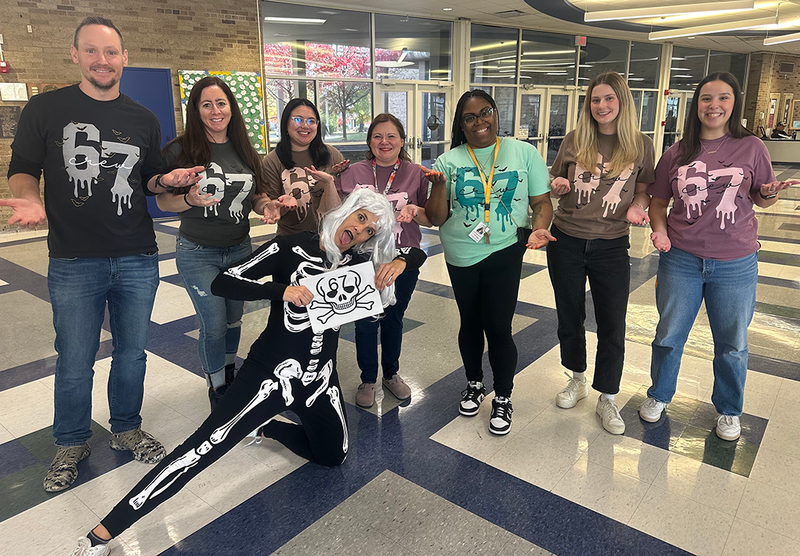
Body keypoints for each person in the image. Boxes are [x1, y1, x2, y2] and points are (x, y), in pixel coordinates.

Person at [67, 188, 427, 556]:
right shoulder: (290, 247)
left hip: (319, 378)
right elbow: (224, 281)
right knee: (203, 448)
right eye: (361, 218)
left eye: (371, 231)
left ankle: (266, 426)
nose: (362, 231)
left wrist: (399, 261)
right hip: (270, 372)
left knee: (334, 455)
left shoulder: (356, 261)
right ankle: (102, 533)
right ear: (347, 210)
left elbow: (417, 253)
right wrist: (282, 291)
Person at [1, 17, 207, 493]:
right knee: (75, 358)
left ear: (124, 59)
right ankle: (70, 441)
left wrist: (169, 182)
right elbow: (23, 168)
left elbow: (151, 181)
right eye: (91, 51)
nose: (102, 61)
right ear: (75, 55)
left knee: (132, 354)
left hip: (137, 256)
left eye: (111, 52)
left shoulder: (143, 118)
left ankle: (126, 428)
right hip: (74, 261)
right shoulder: (45, 109)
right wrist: (29, 197)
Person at [639, 72, 797, 441]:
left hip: (736, 262)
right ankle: (660, 394)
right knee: (668, 334)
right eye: (707, 98)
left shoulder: (752, 147)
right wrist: (659, 231)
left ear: (734, 104)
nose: (714, 106)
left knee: (732, 342)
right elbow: (659, 202)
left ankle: (728, 409)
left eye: (723, 98)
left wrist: (771, 192)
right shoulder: (677, 152)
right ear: (696, 105)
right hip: (681, 258)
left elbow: (761, 196)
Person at [426, 90, 553, 435]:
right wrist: (438, 187)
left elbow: (542, 202)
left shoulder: (524, 153)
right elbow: (437, 218)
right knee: (470, 322)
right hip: (461, 253)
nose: (480, 121)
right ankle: (474, 382)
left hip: (505, 249)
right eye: (470, 117)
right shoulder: (448, 161)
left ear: (496, 114)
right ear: (461, 125)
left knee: (498, 327)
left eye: (486, 113)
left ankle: (504, 396)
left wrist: (540, 229)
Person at [156, 76, 273, 411]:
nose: (215, 111)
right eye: (206, 104)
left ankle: (230, 372)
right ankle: (217, 387)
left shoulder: (247, 150)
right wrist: (190, 199)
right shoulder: (180, 151)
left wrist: (267, 207)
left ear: (231, 109)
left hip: (239, 249)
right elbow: (164, 202)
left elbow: (258, 196)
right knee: (213, 322)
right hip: (197, 252)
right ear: (196, 110)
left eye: (221, 103)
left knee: (234, 319)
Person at [547, 72, 655, 435]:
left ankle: (607, 394)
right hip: (567, 238)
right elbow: (557, 183)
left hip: (611, 244)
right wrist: (558, 185)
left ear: (622, 101)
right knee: (569, 315)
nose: (601, 106)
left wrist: (638, 207)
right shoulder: (576, 139)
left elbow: (643, 189)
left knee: (612, 322)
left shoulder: (641, 144)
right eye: (595, 100)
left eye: (609, 99)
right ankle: (577, 378)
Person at [334, 113, 434, 408]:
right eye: (377, 136)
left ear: (402, 141)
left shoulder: (416, 173)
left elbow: (431, 217)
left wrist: (415, 209)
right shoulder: (354, 172)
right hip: (362, 260)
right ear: (370, 142)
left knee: (393, 318)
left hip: (402, 258)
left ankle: (391, 374)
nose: (384, 142)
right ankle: (367, 378)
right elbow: (337, 214)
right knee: (365, 321)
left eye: (391, 136)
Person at [262, 98, 349, 236]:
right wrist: (283, 205)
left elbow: (345, 201)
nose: (305, 126)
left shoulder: (332, 155)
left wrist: (337, 177)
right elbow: (273, 207)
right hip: (291, 240)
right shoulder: (272, 161)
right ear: (285, 123)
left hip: (331, 238)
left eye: (311, 121)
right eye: (298, 120)